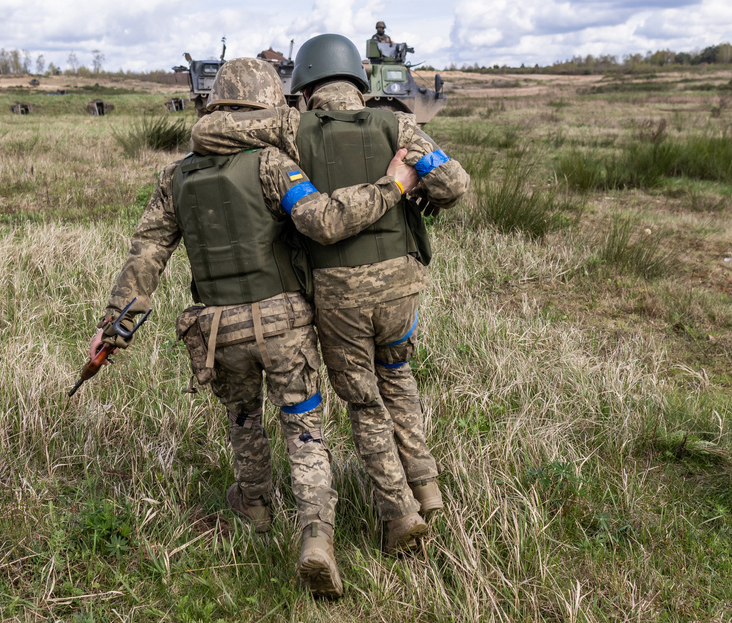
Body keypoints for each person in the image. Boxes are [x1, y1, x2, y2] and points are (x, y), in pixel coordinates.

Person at [88, 57, 418, 598]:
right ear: (265, 104)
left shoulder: (174, 176)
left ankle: (257, 508)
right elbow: (321, 221)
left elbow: (148, 251)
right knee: (303, 427)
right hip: (283, 324)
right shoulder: (272, 165)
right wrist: (391, 187)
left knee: (244, 420)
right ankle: (316, 535)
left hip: (215, 329)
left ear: (217, 104)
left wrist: (116, 326)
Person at [291, 34, 469, 553]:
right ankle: (427, 488)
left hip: (336, 294)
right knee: (398, 378)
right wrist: (412, 184)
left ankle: (399, 515)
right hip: (400, 288)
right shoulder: (398, 125)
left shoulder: (292, 135)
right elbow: (454, 185)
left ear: (305, 88)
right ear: (359, 80)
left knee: (365, 404)